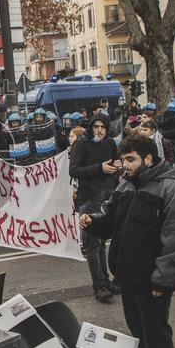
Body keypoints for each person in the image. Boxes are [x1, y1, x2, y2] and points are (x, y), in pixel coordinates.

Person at [80, 134, 175, 348]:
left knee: (156, 333)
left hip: (151, 279)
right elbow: (111, 222)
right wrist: (92, 222)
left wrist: (163, 279)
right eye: (123, 159)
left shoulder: (171, 190)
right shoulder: (126, 185)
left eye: (131, 160)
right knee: (138, 329)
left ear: (149, 159)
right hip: (128, 276)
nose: (125, 165)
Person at [69, 113, 121, 303]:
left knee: (101, 243)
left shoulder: (110, 143)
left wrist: (118, 165)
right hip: (88, 198)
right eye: (96, 126)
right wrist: (99, 168)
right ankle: (98, 286)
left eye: (103, 127)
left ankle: (106, 281)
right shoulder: (82, 143)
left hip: (106, 197)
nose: (99, 130)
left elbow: (117, 163)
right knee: (91, 245)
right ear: (91, 127)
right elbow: (73, 170)